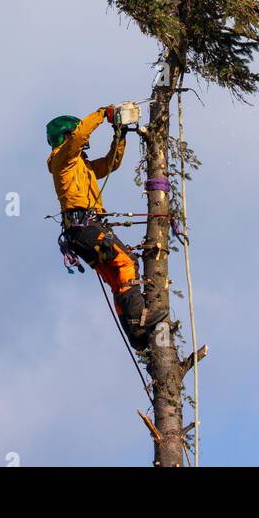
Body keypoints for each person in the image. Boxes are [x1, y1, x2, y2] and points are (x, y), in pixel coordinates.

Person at [46, 106, 166, 350]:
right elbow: (80, 137)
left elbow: (112, 164)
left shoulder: (82, 166)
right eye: (75, 135)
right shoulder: (63, 160)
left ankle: (136, 333)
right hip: (83, 226)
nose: (82, 141)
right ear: (66, 136)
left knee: (118, 278)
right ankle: (138, 320)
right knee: (127, 262)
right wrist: (102, 114)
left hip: (83, 229)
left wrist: (119, 134)